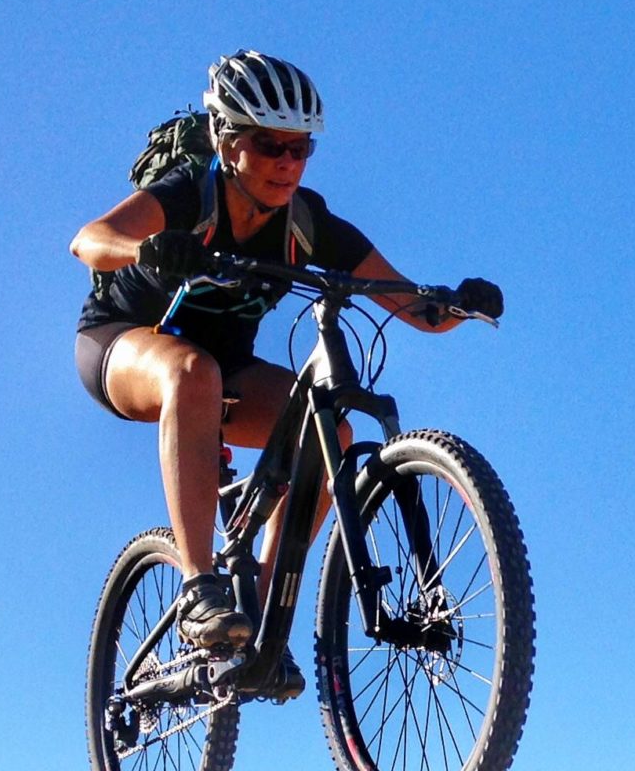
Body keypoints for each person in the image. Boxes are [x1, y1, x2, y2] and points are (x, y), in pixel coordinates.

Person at [71, 52, 464, 692]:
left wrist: (457, 306)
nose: (287, 161)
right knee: (191, 372)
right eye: (268, 144)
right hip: (124, 345)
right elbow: (89, 239)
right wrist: (150, 247)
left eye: (300, 147)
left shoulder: (306, 223)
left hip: (227, 367)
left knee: (330, 433)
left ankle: (259, 602)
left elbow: (408, 303)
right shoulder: (189, 194)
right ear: (228, 143)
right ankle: (200, 585)